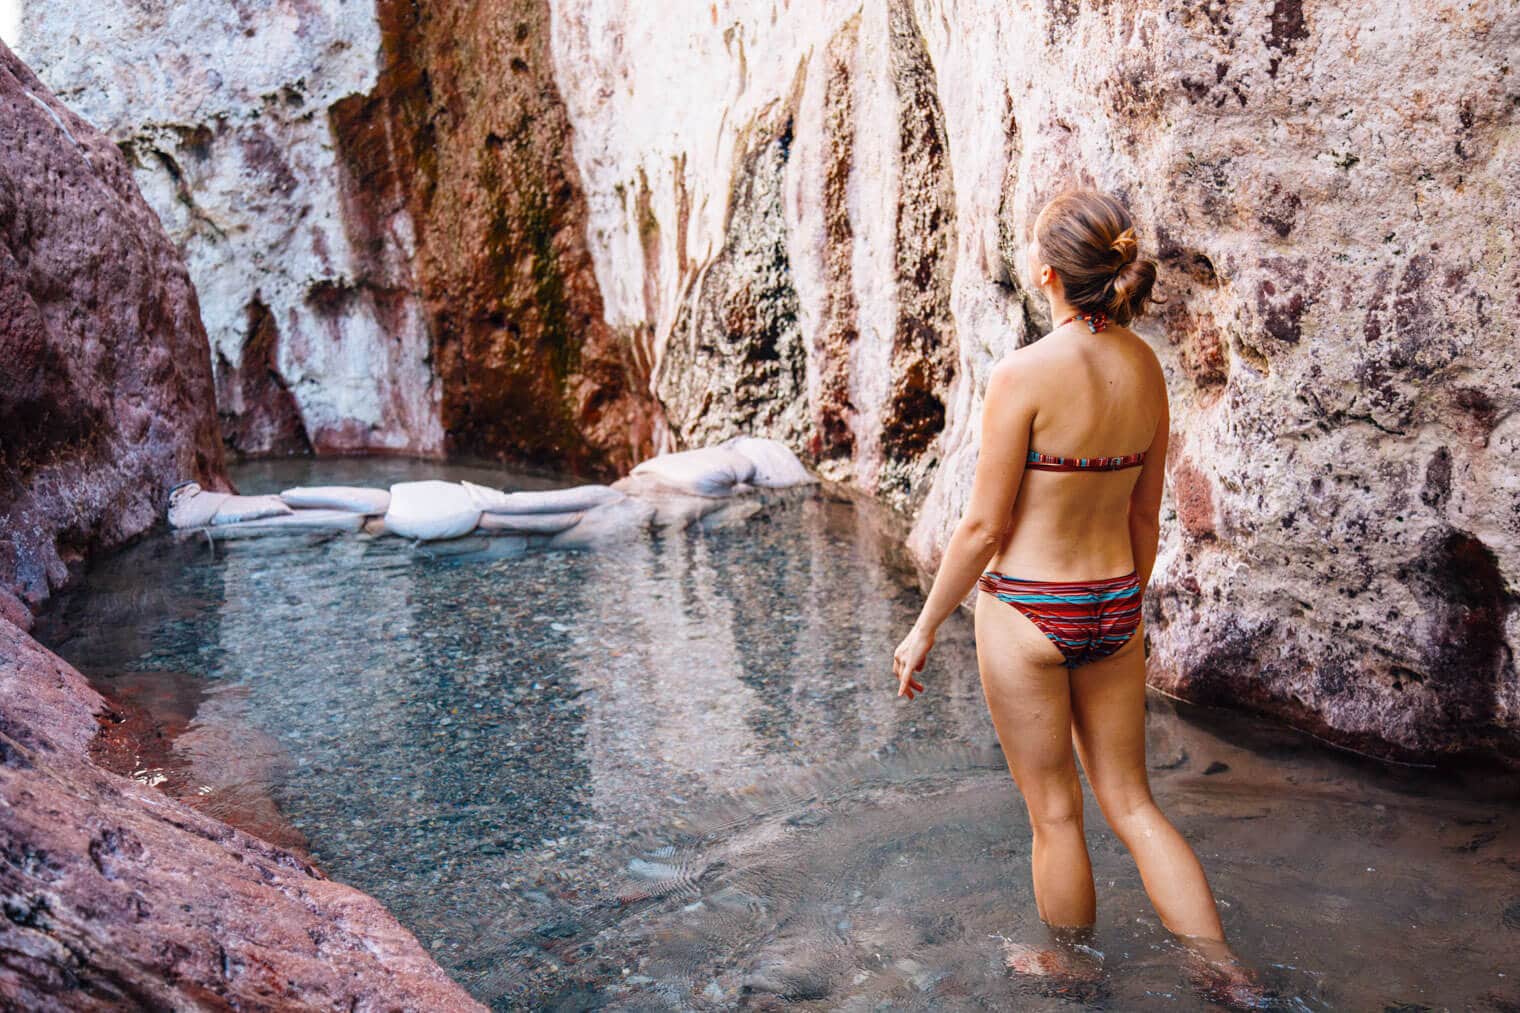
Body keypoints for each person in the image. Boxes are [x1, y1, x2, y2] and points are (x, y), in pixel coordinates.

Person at [891, 187, 1259, 1000]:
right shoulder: (1145, 368)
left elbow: (983, 528)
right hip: (1114, 605)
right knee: (1133, 803)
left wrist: (923, 627)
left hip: (1028, 607)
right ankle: (1227, 971)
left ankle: (1072, 965)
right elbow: (1143, 512)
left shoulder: (1022, 374)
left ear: (1049, 272)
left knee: (1056, 814)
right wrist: (1124, 610)